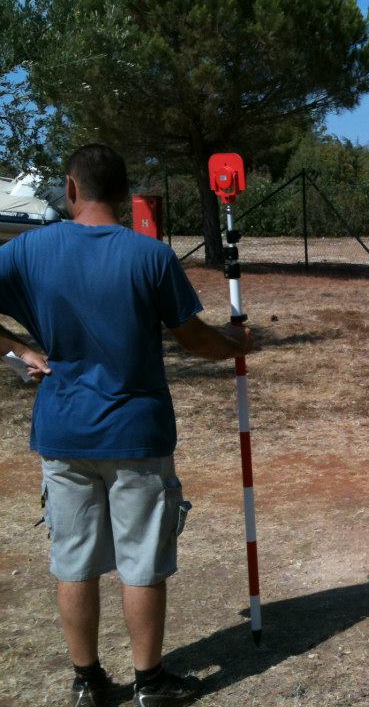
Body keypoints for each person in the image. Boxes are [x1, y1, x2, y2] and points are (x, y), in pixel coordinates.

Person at [0, 144, 253, 706]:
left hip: (64, 433)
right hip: (137, 435)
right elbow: (195, 338)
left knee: (74, 562)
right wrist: (235, 345)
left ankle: (88, 682)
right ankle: (150, 683)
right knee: (141, 564)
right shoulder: (150, 256)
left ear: (71, 188)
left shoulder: (29, 249)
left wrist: (18, 350)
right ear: (123, 192)